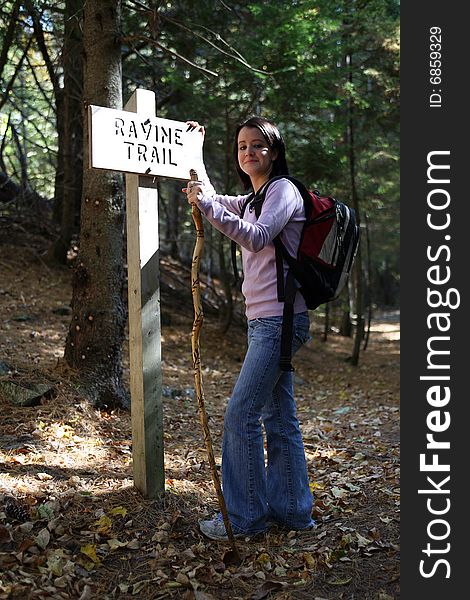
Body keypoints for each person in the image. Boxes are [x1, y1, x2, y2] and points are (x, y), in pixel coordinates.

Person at [183, 116, 314, 540]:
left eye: (257, 146)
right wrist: (194, 152)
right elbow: (215, 197)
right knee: (279, 418)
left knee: (241, 415)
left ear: (274, 152)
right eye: (241, 146)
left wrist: (209, 208)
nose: (248, 153)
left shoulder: (282, 191)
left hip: (280, 320)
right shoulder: (255, 196)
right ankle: (294, 513)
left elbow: (255, 237)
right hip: (266, 321)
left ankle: (245, 518)